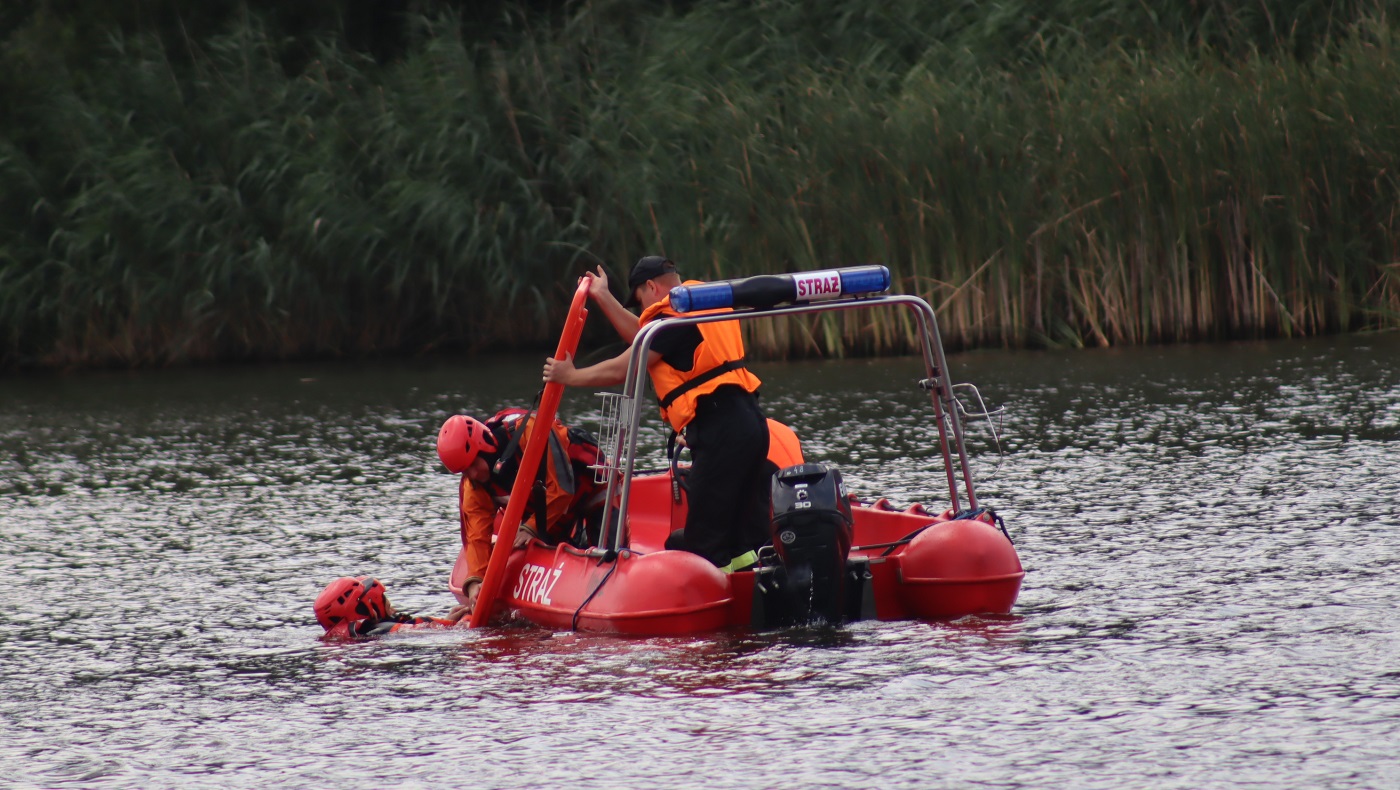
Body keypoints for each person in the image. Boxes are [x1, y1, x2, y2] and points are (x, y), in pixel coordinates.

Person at [543, 256, 770, 572]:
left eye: (639, 302)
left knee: (704, 540)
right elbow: (642, 335)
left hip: (722, 431)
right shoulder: (699, 306)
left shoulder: (674, 319)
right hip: (752, 423)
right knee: (746, 529)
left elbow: (626, 365)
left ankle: (713, 604)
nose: (641, 312)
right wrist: (603, 296)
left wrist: (571, 375)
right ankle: (757, 586)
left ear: (651, 287)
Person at [437, 409, 603, 612]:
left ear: (483, 448)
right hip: (545, 511)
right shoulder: (474, 484)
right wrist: (475, 585)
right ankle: (576, 542)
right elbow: (476, 538)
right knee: (554, 545)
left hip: (592, 484)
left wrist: (530, 528)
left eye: (472, 465)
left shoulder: (531, 431)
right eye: (464, 471)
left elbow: (563, 488)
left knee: (609, 548)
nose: (472, 474)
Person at [313, 576, 468, 639]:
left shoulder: (350, 636)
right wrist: (456, 622)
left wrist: (446, 620)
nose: (393, 609)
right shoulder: (382, 630)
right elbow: (431, 631)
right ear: (367, 608)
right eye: (388, 605)